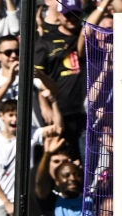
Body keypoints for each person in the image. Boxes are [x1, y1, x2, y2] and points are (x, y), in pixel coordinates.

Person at [34, 0, 86, 160]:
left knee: (84, 163)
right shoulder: (46, 41)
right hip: (59, 111)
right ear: (59, 14)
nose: (72, 18)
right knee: (62, 159)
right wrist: (44, 104)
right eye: (67, 14)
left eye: (75, 14)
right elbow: (36, 77)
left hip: (85, 112)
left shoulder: (88, 37)